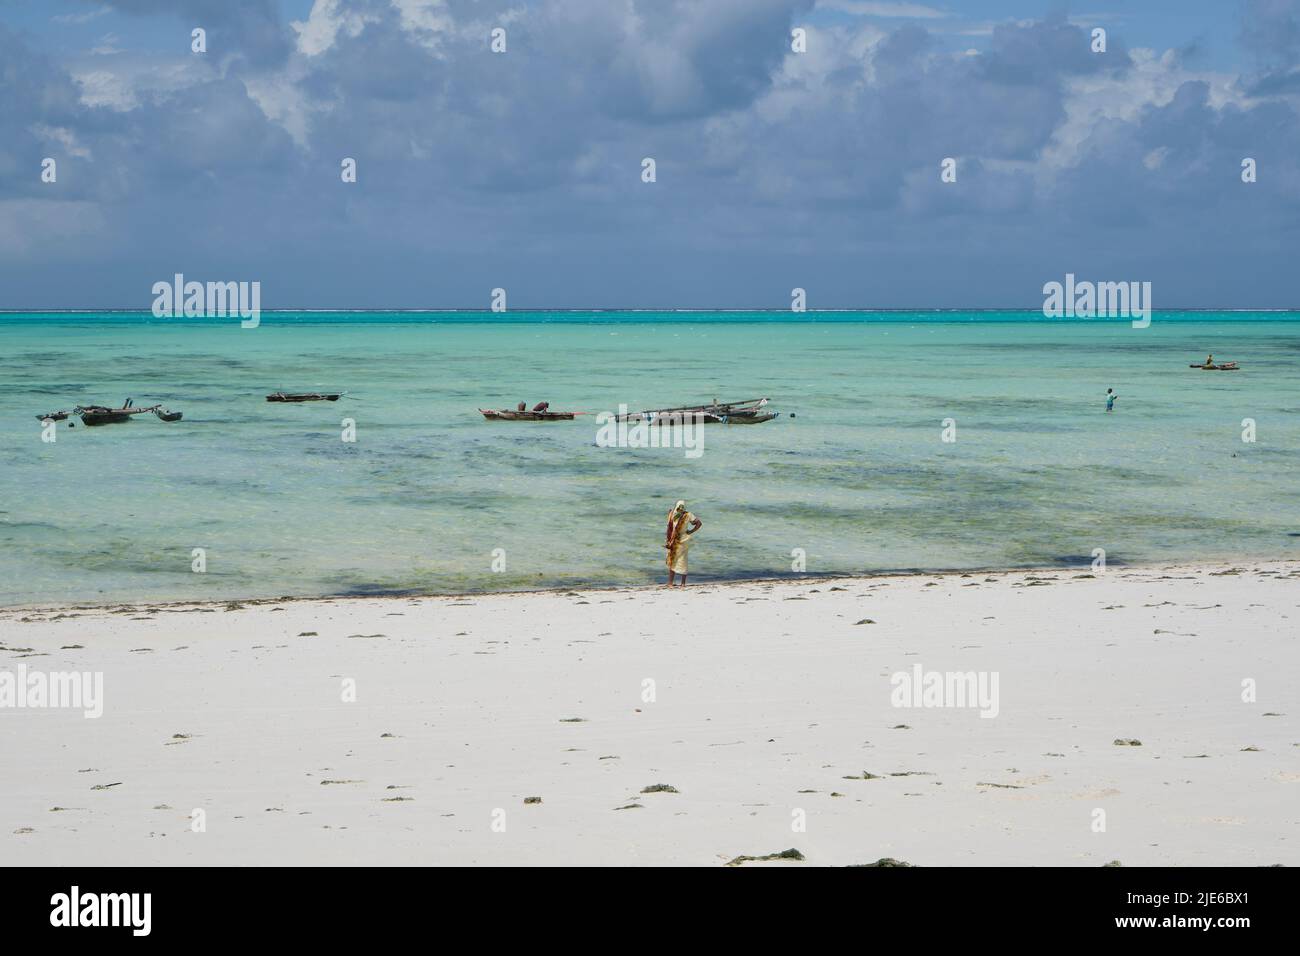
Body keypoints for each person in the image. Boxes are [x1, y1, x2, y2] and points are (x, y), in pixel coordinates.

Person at [664, 500, 702, 588]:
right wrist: (690, 531)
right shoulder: (687, 514)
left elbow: (669, 528)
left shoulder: (672, 514)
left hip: (674, 540)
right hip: (684, 539)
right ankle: (683, 584)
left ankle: (670, 583)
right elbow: (699, 523)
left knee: (672, 559)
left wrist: (668, 540)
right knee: (683, 560)